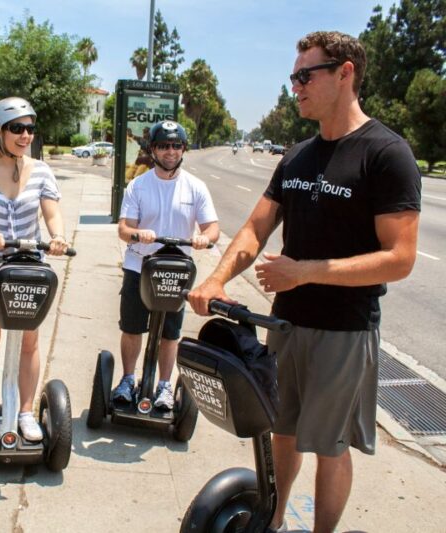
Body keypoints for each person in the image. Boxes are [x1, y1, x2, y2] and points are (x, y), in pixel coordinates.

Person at [188, 31, 420, 533]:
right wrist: (217, 280)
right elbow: (254, 228)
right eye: (293, 76)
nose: (295, 86)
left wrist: (305, 272)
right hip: (287, 324)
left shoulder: (385, 153)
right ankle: (271, 522)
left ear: (345, 73)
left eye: (304, 75)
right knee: (283, 433)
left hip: (345, 330)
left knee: (329, 446)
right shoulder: (297, 156)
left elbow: (400, 258)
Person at [0, 97, 69, 442]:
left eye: (30, 128)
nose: (25, 136)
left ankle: (24, 412)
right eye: (17, 128)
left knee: (29, 344)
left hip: (27, 265)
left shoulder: (41, 171)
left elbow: (51, 212)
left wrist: (59, 236)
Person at [113, 120, 220, 409]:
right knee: (133, 328)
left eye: (176, 145)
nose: (170, 151)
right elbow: (124, 228)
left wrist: (202, 239)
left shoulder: (195, 187)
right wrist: (138, 233)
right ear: (153, 150)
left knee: (171, 332)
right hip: (140, 267)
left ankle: (163, 385)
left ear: (183, 149)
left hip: (176, 271)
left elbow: (213, 228)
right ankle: (127, 379)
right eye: (163, 146)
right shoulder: (138, 185)